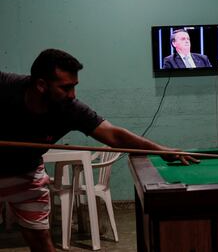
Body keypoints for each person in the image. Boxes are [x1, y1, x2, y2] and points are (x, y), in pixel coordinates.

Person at [0, 48, 199, 252]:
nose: (72, 94)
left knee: (42, 242)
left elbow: (114, 135)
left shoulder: (70, 109)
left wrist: (162, 150)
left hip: (27, 174)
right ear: (41, 85)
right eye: (65, 88)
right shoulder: (6, 86)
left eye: (74, 86)